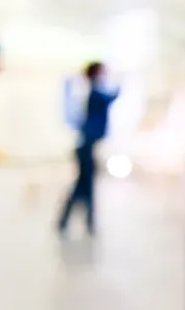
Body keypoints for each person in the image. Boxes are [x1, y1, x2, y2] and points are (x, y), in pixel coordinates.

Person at [58, 61, 119, 237]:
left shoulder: (92, 91)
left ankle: (83, 221)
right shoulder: (95, 92)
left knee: (85, 186)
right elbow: (113, 96)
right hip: (85, 147)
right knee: (83, 186)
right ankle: (78, 221)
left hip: (88, 146)